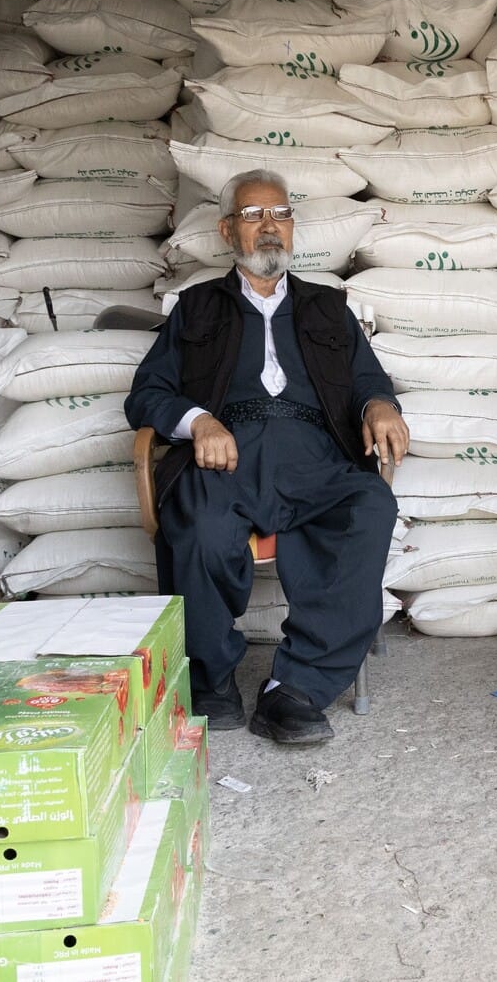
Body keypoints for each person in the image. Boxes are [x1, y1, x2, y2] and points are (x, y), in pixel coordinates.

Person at [126, 169, 408, 746]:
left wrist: (380, 403)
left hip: (315, 455)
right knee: (197, 525)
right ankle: (209, 678)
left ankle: (296, 690)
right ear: (229, 230)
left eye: (279, 214)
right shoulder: (197, 307)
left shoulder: (329, 307)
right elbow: (147, 392)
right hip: (225, 454)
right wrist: (198, 420)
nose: (269, 226)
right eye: (253, 216)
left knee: (369, 506)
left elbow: (365, 379)